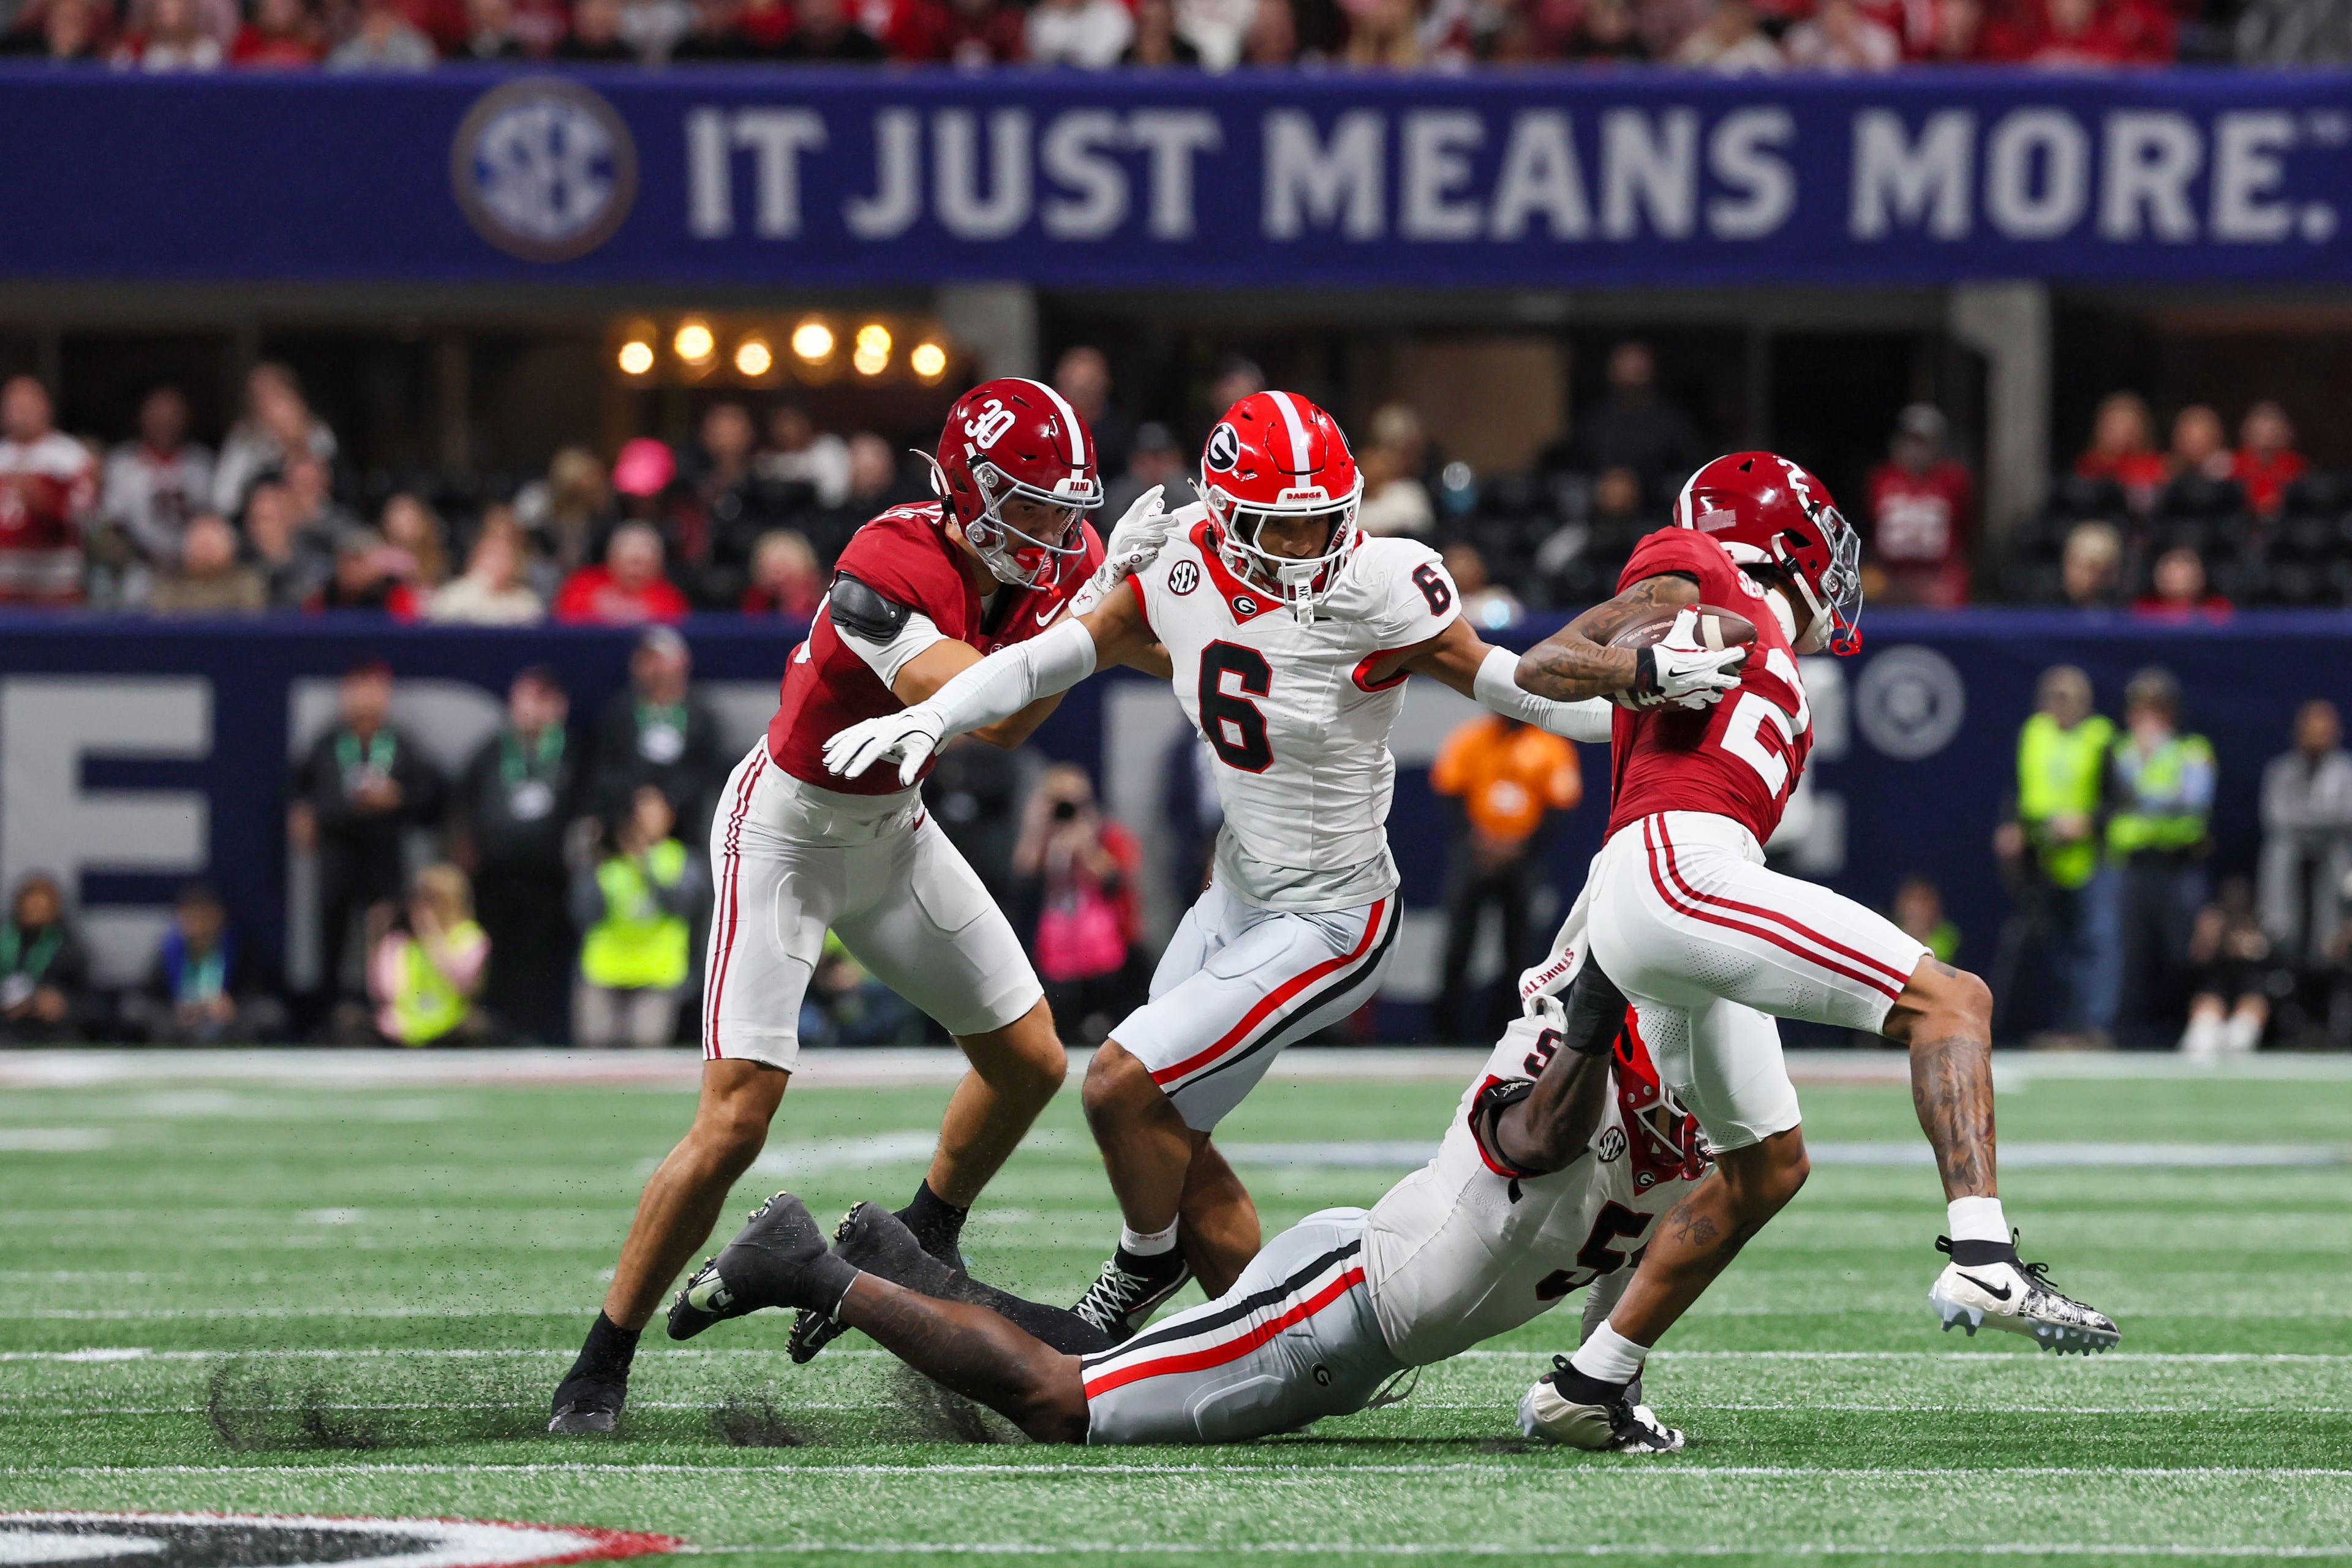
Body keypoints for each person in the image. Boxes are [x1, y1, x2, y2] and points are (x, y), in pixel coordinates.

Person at [821, 391, 1615, 1344]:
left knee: (1120, 1086)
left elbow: (1513, 686)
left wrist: (1635, 710)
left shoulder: (1383, 583)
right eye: (1286, 529)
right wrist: (930, 715)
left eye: (1328, 518)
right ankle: (1273, 1348)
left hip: (1334, 916)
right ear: (1228, 517)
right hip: (1234, 894)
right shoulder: (1181, 560)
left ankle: (1143, 1265)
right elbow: (1041, 665)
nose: (1314, 545)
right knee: (1164, 1131)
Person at [1506, 450, 2114, 1442]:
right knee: (1952, 1000)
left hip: (1667, 893)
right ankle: (1984, 1256)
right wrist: (1644, 666)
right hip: (1675, 867)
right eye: (1822, 541)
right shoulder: (1702, 569)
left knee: (1768, 1165)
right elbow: (1547, 664)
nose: (1836, 569)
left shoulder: (1767, 649)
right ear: (1778, 534)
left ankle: (1591, 1383)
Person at [546, 379, 1116, 1435]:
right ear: (963, 488)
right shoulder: (884, 563)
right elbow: (987, 714)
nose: (1053, 533)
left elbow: (1074, 682)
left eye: (1063, 509)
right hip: (787, 835)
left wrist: (1182, 597)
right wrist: (1103, 623)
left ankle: (925, 1233)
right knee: (736, 1121)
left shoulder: (1072, 562)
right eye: (1028, 505)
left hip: (892, 831)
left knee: (1032, 1059)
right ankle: (601, 1359)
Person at [668, 1003, 1702, 1454]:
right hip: (1338, 1309)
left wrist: (1606, 1379)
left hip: (1348, 1297)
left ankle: (897, 1260)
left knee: (1130, 1367)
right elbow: (1540, 1131)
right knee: (1064, 1403)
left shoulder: (1680, 1136)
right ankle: (806, 1264)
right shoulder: (1571, 1087)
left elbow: (1637, 1252)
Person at [287, 660, 447, 1007]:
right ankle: (329, 1016)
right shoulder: (328, 743)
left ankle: (387, 1014)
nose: (365, 699)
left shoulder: (402, 744)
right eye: (357, 689)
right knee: (331, 937)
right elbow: (300, 788)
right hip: (337, 853)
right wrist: (302, 812)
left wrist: (397, 797)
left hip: (383, 855)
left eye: (373, 689)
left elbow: (431, 794)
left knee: (388, 937)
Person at [1429, 709, 1581, 1041]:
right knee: (1459, 942)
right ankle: (1445, 1031)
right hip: (1475, 854)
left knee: (1519, 945)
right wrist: (1478, 840)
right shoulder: (1471, 738)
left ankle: (1507, 1029)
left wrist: (1519, 847)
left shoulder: (1549, 746)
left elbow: (1559, 807)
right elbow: (1450, 791)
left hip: (1524, 858)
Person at [452, 668, 580, 1042]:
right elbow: (463, 804)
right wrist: (465, 849)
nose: (533, 710)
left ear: (559, 706)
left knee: (543, 959)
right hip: (495, 878)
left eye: (542, 700)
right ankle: (499, 1031)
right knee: (498, 957)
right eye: (526, 699)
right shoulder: (491, 751)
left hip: (550, 879)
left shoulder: (574, 752)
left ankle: (542, 1032)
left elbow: (590, 805)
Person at [1991, 665, 2116, 1046]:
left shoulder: (2100, 738)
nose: (2058, 707)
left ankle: (2093, 1027)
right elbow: (2019, 786)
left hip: (2089, 855)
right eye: (2052, 698)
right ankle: (2066, 1027)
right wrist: (2011, 824)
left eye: (2066, 699)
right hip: (2043, 854)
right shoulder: (2035, 733)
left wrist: (2088, 822)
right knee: (2058, 945)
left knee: (2094, 944)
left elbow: (2118, 801)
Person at [2100, 666, 2214, 1047]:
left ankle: (2180, 1029)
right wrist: (2155, 784)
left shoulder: (2191, 750)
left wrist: (2152, 772)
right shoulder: (2120, 751)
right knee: (2128, 952)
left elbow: (2193, 801)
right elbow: (2122, 795)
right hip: (2133, 866)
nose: (2144, 718)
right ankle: (2128, 1032)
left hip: (2176, 865)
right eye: (2138, 709)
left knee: (2180, 950)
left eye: (2154, 709)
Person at [1014, 764, 1144, 1046]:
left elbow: (1114, 880)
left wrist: (1085, 842)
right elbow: (1024, 876)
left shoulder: (1108, 835)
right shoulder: (1044, 838)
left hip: (1104, 944)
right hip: (1054, 941)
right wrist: (1036, 827)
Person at [573, 785, 707, 1049]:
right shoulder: (608, 858)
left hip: (657, 971)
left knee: (647, 1044)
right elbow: (584, 913)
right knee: (595, 1045)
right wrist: (594, 857)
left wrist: (644, 864)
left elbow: (685, 907)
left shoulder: (680, 859)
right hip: (605, 968)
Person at [584, 626, 726, 830]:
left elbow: (708, 771)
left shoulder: (701, 715)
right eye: (647, 660)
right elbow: (605, 768)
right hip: (626, 815)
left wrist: (669, 799)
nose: (655, 668)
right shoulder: (618, 712)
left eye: (661, 660)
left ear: (682, 663)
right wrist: (640, 799)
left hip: (686, 816)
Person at [2258, 699, 2352, 979]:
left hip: (2333, 866)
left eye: (2324, 730)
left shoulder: (2348, 773)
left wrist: (2308, 820)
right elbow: (2277, 819)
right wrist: (2325, 820)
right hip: (2290, 866)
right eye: (2311, 729)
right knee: (2280, 851)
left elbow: (2347, 817)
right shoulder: (2279, 771)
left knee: (2331, 936)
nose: (2317, 737)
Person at [125, 882, 285, 1044]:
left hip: (226, 1020)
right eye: (192, 917)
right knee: (136, 1010)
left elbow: (253, 989)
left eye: (205, 917)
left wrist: (231, 1004)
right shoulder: (168, 951)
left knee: (267, 1012)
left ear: (219, 916)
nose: (199, 926)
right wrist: (178, 1008)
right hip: (179, 1021)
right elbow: (150, 993)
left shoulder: (239, 949)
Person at [352, 864, 494, 1046]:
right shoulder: (399, 942)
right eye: (420, 898)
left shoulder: (469, 937)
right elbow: (382, 993)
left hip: (450, 1027)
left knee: (481, 1026)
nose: (423, 907)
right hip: (403, 1028)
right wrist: (375, 939)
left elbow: (464, 984)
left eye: (433, 899)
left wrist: (432, 936)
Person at [1559, 343, 1706, 505]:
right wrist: (1600, 486)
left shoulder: (1672, 422)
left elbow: (1690, 477)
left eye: (1637, 367)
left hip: (1656, 514)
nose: (1630, 376)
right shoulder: (1593, 422)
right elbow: (1572, 472)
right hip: (1593, 516)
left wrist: (1643, 488)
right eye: (1624, 366)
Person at [1863, 405, 1974, 609]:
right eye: (1910, 442)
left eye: (1923, 443)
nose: (1916, 451)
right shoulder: (1881, 479)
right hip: (1890, 576)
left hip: (1938, 576)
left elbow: (1967, 527)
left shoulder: (1953, 480)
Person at [0, 375, 97, 606]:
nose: (21, 415)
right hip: (6, 585)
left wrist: (43, 499)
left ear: (45, 408)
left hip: (56, 585)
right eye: (14, 407)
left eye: (28, 407)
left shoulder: (71, 456)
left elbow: (85, 517)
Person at [103, 385, 215, 570]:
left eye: (172, 416)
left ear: (186, 418)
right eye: (157, 416)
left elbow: (214, 522)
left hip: (194, 571)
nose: (164, 424)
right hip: (139, 572)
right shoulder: (123, 464)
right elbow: (112, 527)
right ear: (143, 418)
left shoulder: (202, 465)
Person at [211, 362, 336, 518]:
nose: (269, 402)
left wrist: (296, 442)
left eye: (276, 392)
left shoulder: (318, 434)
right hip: (260, 522)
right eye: (260, 395)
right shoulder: (244, 439)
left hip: (314, 519)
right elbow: (224, 499)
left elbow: (336, 487)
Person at [2179, 876, 2271, 1060]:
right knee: (2203, 1037)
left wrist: (2254, 946)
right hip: (2212, 994)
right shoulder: (2209, 925)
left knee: (2240, 1037)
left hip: (2252, 998)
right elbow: (2193, 962)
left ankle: (2240, 1031)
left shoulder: (2264, 928)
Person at [0, 873, 93, 1045]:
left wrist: (63, 1005)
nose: (34, 913)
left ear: (54, 910)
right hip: (6, 1029)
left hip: (54, 1032)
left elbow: (91, 1002)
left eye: (41, 909)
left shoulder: (70, 949)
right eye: (30, 908)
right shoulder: (4, 942)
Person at [553, 522, 690, 626]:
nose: (635, 570)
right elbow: (564, 626)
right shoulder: (582, 586)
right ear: (612, 559)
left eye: (642, 562)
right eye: (631, 561)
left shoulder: (670, 599)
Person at [426, 518, 545, 625]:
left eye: (504, 557)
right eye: (490, 556)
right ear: (474, 560)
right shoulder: (453, 596)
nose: (497, 564)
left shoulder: (527, 603)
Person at [147, 512, 266, 616]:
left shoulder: (246, 584)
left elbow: (251, 621)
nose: (204, 554)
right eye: (200, 546)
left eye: (210, 546)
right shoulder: (170, 588)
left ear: (230, 549)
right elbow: (160, 622)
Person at [2072, 391, 2166, 514]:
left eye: (2127, 428)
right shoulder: (2087, 465)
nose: (2120, 434)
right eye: (2114, 426)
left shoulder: (2156, 467)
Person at [2232, 401, 2305, 520]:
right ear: (2248, 431)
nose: (2266, 434)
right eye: (2260, 428)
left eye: (2272, 428)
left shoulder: (2297, 465)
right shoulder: (2232, 464)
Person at [2132, 545, 2230, 621]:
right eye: (2172, 570)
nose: (2178, 577)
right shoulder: (2144, 609)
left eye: (2185, 571)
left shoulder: (2217, 609)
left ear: (2200, 576)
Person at [1893, 875, 1961, 967]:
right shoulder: (1889, 932)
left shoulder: (1949, 937)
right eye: (1911, 899)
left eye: (1923, 900)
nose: (1916, 908)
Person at [2060, 519, 2123, 610]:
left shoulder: (2125, 613)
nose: (2076, 574)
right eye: (2072, 563)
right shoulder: (2043, 608)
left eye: (2089, 567)